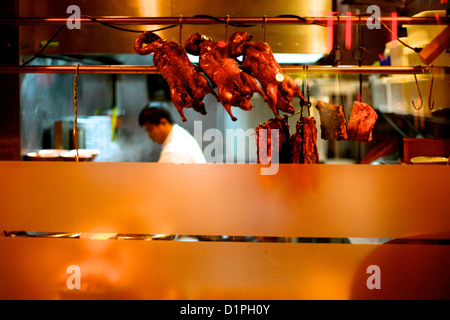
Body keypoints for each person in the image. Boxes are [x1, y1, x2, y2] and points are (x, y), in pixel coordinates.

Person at [138, 106, 206, 164]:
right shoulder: (180, 135)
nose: (149, 136)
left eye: (150, 130)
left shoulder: (173, 151)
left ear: (163, 122)